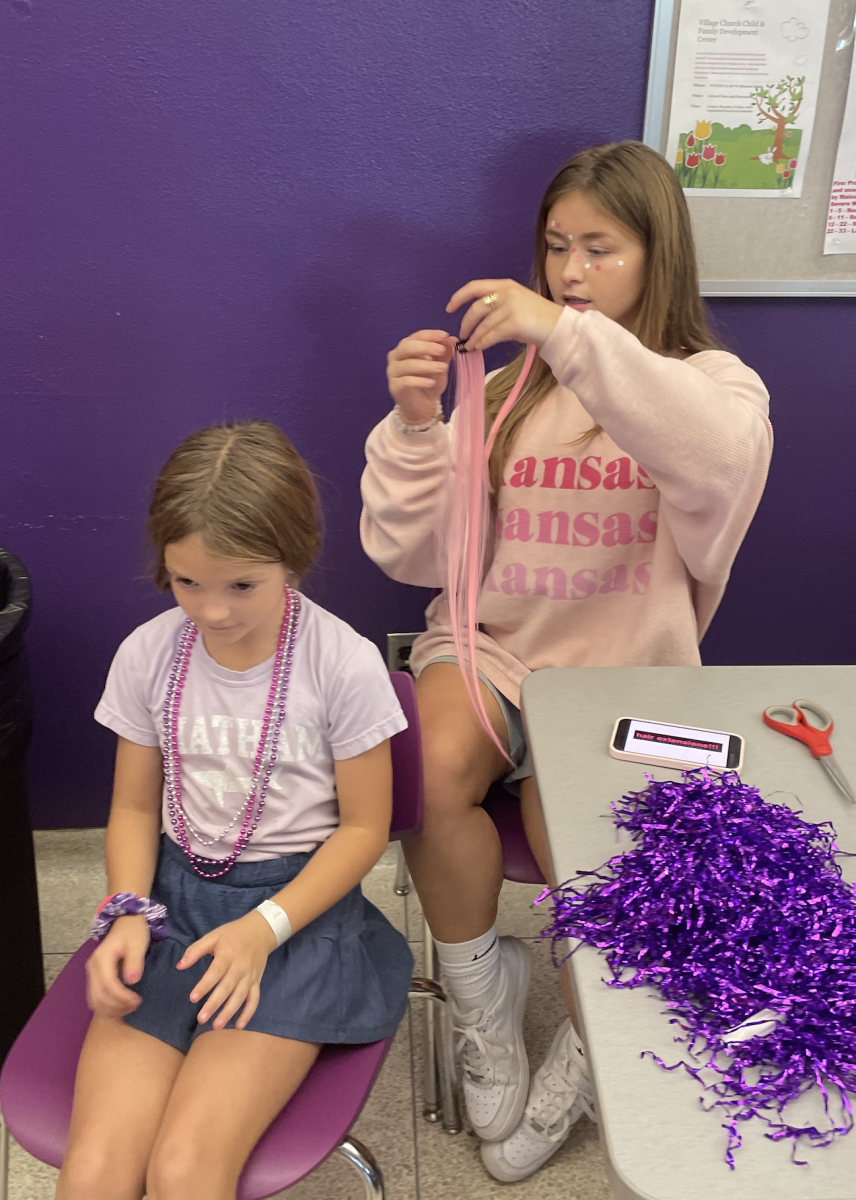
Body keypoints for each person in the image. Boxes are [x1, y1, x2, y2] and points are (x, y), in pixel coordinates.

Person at [360, 140, 772, 1182]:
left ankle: (587, 1049)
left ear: (657, 258)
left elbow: (716, 471)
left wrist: (565, 334)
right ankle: (479, 999)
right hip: (493, 649)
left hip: (628, 682)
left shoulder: (715, 388)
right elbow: (414, 556)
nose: (571, 273)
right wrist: (415, 431)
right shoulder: (505, 395)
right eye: (555, 250)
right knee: (427, 761)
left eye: (600, 250)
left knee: (594, 860)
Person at [57, 421, 413, 1200]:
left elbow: (362, 829)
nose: (212, 611)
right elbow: (130, 805)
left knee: (185, 1169)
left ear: (295, 558)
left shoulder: (343, 664)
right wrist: (125, 911)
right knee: (92, 1175)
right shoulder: (150, 654)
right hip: (172, 905)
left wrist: (263, 930)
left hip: (295, 918)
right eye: (187, 583)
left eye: (241, 586)